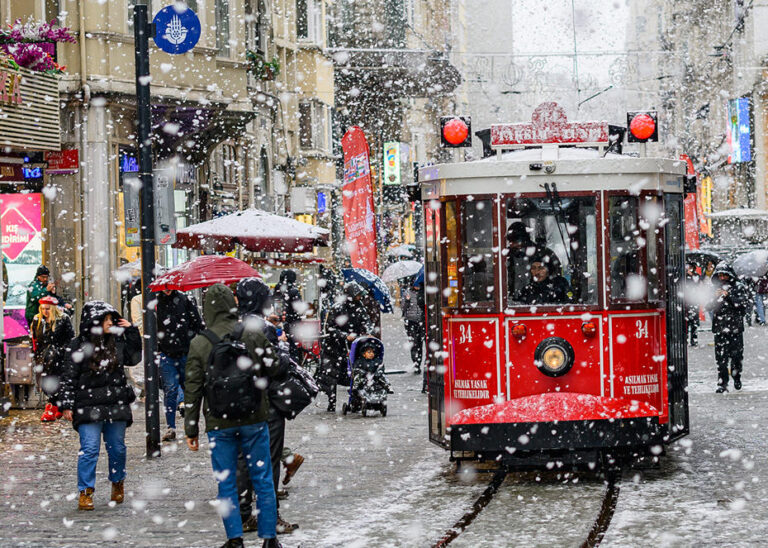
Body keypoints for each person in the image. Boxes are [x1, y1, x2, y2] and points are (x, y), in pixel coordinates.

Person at [184, 283, 283, 548]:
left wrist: (191, 429)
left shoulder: (200, 343)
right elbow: (275, 367)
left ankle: (235, 539)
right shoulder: (250, 332)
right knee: (262, 479)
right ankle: (269, 539)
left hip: (219, 421)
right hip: (254, 416)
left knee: (226, 483)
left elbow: (192, 389)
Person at [58, 301, 142, 511]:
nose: (109, 323)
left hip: (114, 403)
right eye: (105, 319)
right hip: (87, 405)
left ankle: (117, 481)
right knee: (89, 449)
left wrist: (131, 331)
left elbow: (134, 358)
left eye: (111, 319)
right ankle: (86, 491)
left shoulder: (116, 341)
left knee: (117, 449)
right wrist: (67, 404)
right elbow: (69, 377)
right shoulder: (77, 345)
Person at [235, 278, 300, 535]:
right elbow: (276, 366)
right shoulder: (264, 329)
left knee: (243, 459)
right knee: (269, 461)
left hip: (238, 402)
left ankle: (243, 514)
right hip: (266, 402)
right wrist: (283, 350)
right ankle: (268, 516)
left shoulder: (231, 327)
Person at [156, 288, 203, 442]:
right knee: (170, 389)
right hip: (166, 353)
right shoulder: (156, 302)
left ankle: (189, 425)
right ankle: (171, 427)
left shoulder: (185, 300)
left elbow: (196, 322)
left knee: (188, 388)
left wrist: (190, 339)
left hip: (184, 352)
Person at [318, 282, 373, 412]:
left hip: (353, 346)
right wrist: (344, 335)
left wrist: (367, 331)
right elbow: (330, 328)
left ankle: (356, 400)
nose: (360, 298)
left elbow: (367, 322)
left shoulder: (360, 308)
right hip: (335, 348)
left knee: (356, 374)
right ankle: (332, 401)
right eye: (357, 295)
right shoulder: (337, 308)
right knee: (332, 376)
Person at [31, 296, 75, 422]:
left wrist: (62, 351)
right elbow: (35, 338)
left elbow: (70, 338)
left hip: (58, 356)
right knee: (43, 382)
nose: (45, 311)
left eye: (48, 309)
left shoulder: (63, 319)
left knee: (56, 381)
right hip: (43, 356)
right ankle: (57, 405)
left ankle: (52, 406)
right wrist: (36, 352)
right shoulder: (37, 319)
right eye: (43, 308)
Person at [707, 263, 749, 393]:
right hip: (720, 327)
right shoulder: (713, 289)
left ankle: (736, 377)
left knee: (736, 356)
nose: (722, 277)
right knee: (721, 358)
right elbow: (708, 307)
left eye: (725, 275)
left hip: (735, 327)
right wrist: (715, 297)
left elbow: (742, 306)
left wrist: (728, 296)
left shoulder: (738, 287)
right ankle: (722, 383)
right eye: (720, 275)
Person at [506, 222, 560, 301]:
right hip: (512, 301)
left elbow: (556, 277)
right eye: (510, 241)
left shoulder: (544, 254)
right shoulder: (506, 256)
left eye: (516, 241)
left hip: (541, 301)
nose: (513, 244)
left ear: (525, 239)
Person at [275, 269, 304, 362]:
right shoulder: (294, 291)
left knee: (280, 348)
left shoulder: (277, 289)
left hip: (278, 323)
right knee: (292, 350)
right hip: (292, 325)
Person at [401, 275, 425, 375]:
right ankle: (415, 363)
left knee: (419, 343)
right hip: (411, 321)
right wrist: (406, 301)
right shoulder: (407, 293)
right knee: (414, 343)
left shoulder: (423, 293)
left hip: (421, 321)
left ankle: (418, 362)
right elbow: (403, 308)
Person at [684, 263, 701, 346]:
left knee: (694, 321)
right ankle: (685, 338)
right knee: (686, 321)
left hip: (694, 300)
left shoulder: (696, 276)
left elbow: (698, 286)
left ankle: (694, 339)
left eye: (691, 267)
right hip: (686, 301)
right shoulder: (684, 276)